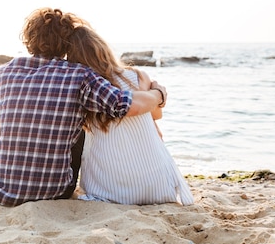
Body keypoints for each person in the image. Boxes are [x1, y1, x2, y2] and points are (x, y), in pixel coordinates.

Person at [0, 8, 168, 207]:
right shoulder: (80, 75)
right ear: (66, 41)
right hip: (55, 191)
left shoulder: (5, 72)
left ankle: (5, 168)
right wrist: (158, 94)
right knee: (79, 121)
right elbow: (126, 105)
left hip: (0, 189)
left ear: (29, 39)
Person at [66, 27, 194, 205]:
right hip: (157, 186)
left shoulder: (84, 86)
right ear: (103, 49)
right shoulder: (137, 75)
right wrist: (158, 94)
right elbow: (156, 115)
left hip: (108, 189)